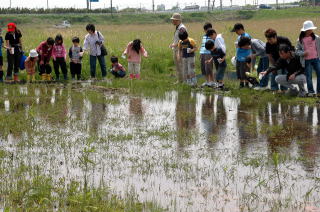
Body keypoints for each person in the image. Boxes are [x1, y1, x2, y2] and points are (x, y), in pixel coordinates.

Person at [296, 20, 320, 97]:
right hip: (306, 61)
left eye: (311, 29)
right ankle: (311, 92)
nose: (311, 30)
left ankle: (319, 91)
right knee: (309, 77)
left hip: (316, 59)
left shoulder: (316, 38)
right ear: (305, 30)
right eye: (309, 29)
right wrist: (303, 53)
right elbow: (297, 51)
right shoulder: (300, 40)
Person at [169, 13, 187, 83]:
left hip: (180, 50)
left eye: (173, 20)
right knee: (178, 66)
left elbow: (184, 40)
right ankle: (180, 80)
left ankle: (184, 81)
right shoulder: (178, 27)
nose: (172, 21)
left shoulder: (182, 28)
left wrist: (175, 45)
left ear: (178, 20)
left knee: (181, 65)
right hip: (177, 49)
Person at [200, 22, 214, 87]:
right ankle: (207, 81)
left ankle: (212, 82)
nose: (206, 31)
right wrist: (201, 53)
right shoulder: (204, 36)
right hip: (202, 53)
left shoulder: (212, 37)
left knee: (209, 68)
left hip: (209, 54)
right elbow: (202, 45)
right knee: (204, 68)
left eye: (207, 30)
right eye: (205, 30)